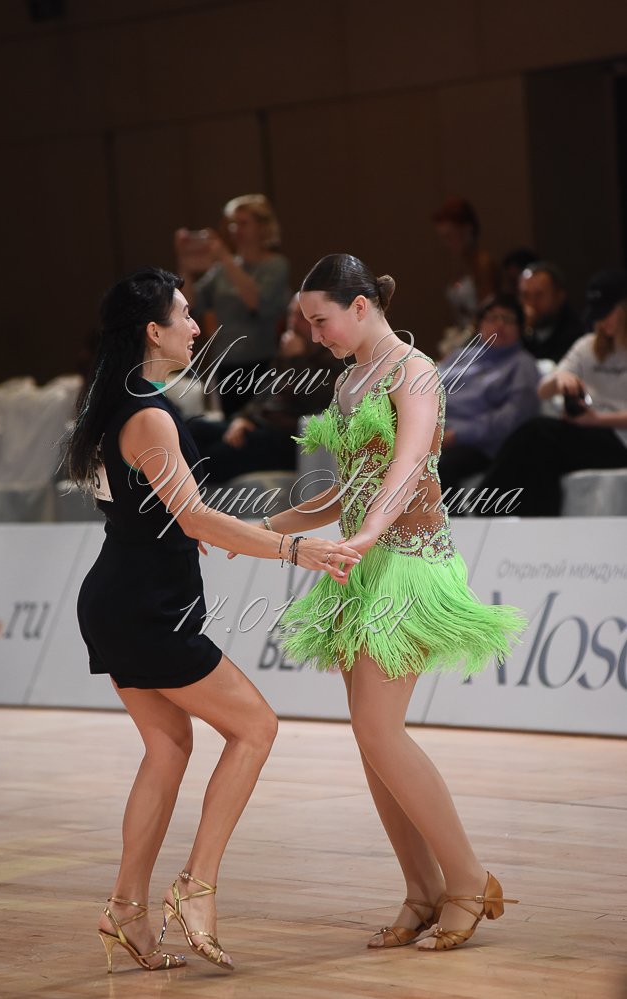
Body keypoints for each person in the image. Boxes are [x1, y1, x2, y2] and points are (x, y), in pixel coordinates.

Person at [68, 267, 361, 974]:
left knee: (168, 747)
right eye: (185, 314)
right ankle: (195, 887)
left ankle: (126, 909)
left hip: (118, 598)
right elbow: (196, 517)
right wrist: (297, 550)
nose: (197, 326)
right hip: (146, 609)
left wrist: (227, 529)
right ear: (153, 331)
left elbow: (169, 515)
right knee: (255, 727)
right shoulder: (149, 415)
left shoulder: (116, 402)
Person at [250, 254, 524, 952]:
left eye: (321, 321)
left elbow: (405, 467)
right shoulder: (349, 382)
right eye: (308, 324)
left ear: (361, 305)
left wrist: (371, 529)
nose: (314, 335)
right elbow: (347, 487)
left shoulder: (415, 370)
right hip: (362, 566)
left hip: (409, 566)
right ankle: (422, 889)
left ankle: (469, 880)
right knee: (371, 738)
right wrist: (264, 530)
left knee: (379, 732)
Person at [478, 268, 627, 516]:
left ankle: (482, 506)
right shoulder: (588, 346)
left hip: (620, 439)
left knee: (539, 435)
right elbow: (543, 391)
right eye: (597, 315)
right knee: (538, 451)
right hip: (592, 431)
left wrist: (597, 419)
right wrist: (560, 378)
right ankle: (532, 521)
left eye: (607, 314)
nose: (602, 322)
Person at [188, 293, 343, 484]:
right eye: (291, 314)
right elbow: (264, 392)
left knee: (209, 458)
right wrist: (244, 417)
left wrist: (297, 359)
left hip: (287, 438)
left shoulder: (334, 353)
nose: (293, 322)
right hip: (261, 426)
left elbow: (313, 398)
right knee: (195, 429)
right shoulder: (289, 348)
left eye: (302, 316)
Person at [174, 193, 290, 418]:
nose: (235, 230)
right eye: (233, 224)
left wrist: (226, 258)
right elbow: (190, 303)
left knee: (258, 426)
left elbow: (258, 302)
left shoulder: (275, 265)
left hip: (262, 361)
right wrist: (184, 264)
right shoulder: (223, 269)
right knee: (230, 425)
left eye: (243, 223)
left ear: (262, 227)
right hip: (227, 361)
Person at [437, 294, 540, 494]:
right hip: (436, 433)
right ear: (480, 324)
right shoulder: (460, 356)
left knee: (436, 468)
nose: (500, 325)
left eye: (508, 319)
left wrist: (456, 435)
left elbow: (512, 418)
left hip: (481, 444)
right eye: (493, 318)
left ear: (520, 328)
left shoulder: (522, 364)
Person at [432, 197, 499, 358]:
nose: (446, 244)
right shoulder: (461, 266)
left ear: (467, 230)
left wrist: (460, 343)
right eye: (443, 238)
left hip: (483, 344)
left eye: (450, 236)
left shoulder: (483, 265)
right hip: (465, 339)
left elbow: (487, 313)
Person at [518, 261, 584, 361]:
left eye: (539, 295)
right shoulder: (516, 332)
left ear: (559, 296)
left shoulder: (577, 336)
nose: (531, 304)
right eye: (525, 295)